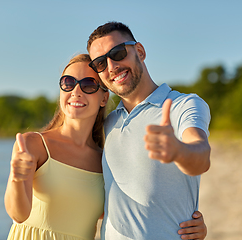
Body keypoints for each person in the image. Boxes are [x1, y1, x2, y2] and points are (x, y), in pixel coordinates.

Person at [4, 54, 207, 240]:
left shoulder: (105, 157)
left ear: (103, 98)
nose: (76, 91)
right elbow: (18, 214)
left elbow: (128, 205)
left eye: (88, 85)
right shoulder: (33, 144)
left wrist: (189, 220)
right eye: (68, 83)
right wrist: (17, 177)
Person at [87, 22, 211, 239]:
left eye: (118, 53)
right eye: (99, 63)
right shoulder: (106, 124)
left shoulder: (183, 105)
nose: (111, 66)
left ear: (140, 52)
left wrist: (179, 151)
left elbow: (200, 154)